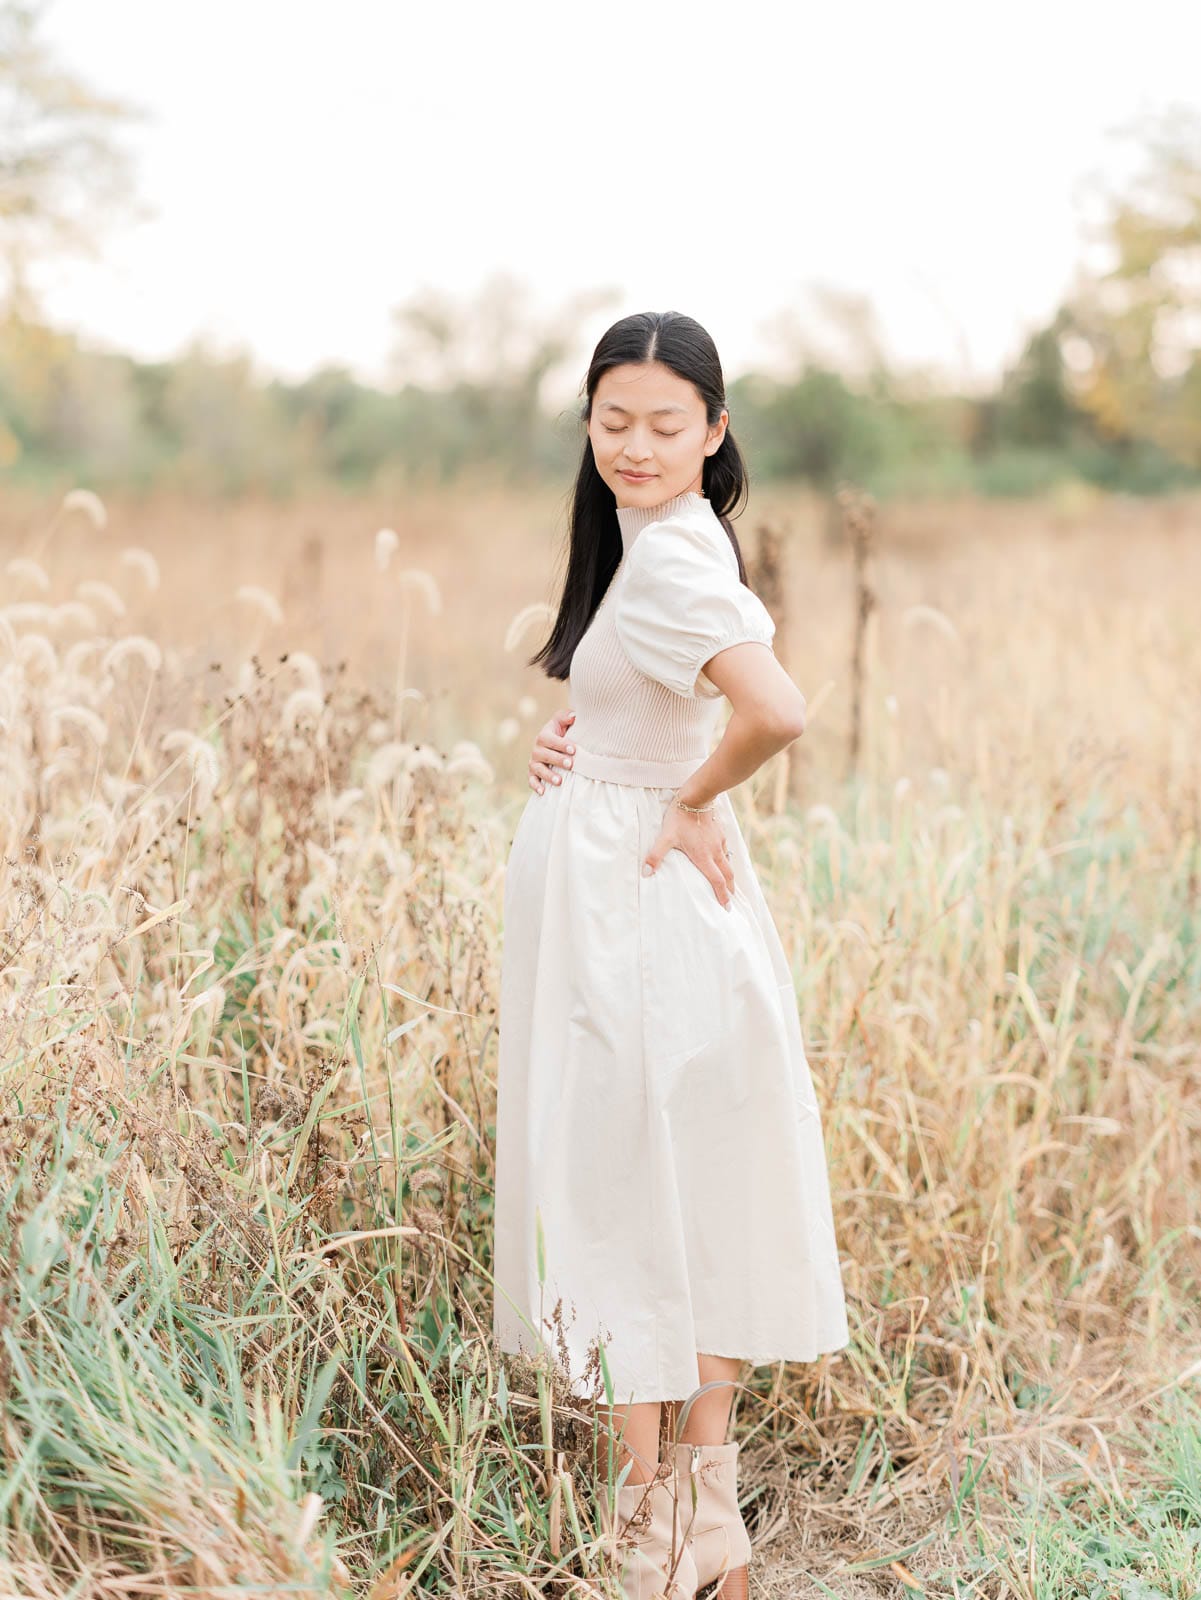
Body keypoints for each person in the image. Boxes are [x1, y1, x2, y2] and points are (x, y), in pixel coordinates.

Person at [491, 310, 850, 1599]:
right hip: (639, 897)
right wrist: (584, 735)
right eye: (611, 421)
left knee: (619, 1188)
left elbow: (777, 709)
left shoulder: (675, 561)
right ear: (587, 426)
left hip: (633, 907)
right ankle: (704, 1513)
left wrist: (686, 798)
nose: (634, 445)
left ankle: (654, 1523)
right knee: (678, 1182)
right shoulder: (662, 548)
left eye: (664, 423)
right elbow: (656, 693)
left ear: (714, 431)